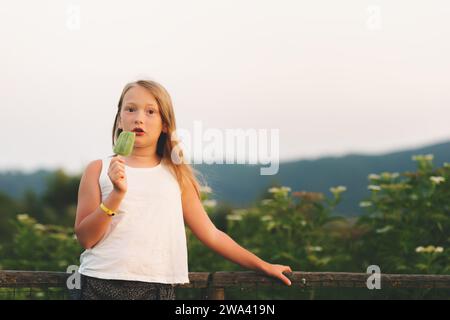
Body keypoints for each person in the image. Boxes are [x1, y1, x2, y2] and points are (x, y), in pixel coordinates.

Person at [74, 79, 292, 300]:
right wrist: (116, 195)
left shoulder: (176, 175)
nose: (139, 118)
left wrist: (263, 266)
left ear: (165, 125)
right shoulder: (98, 169)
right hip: (97, 282)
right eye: (131, 109)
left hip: (157, 287)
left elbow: (212, 235)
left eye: (151, 112)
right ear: (120, 118)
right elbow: (86, 239)